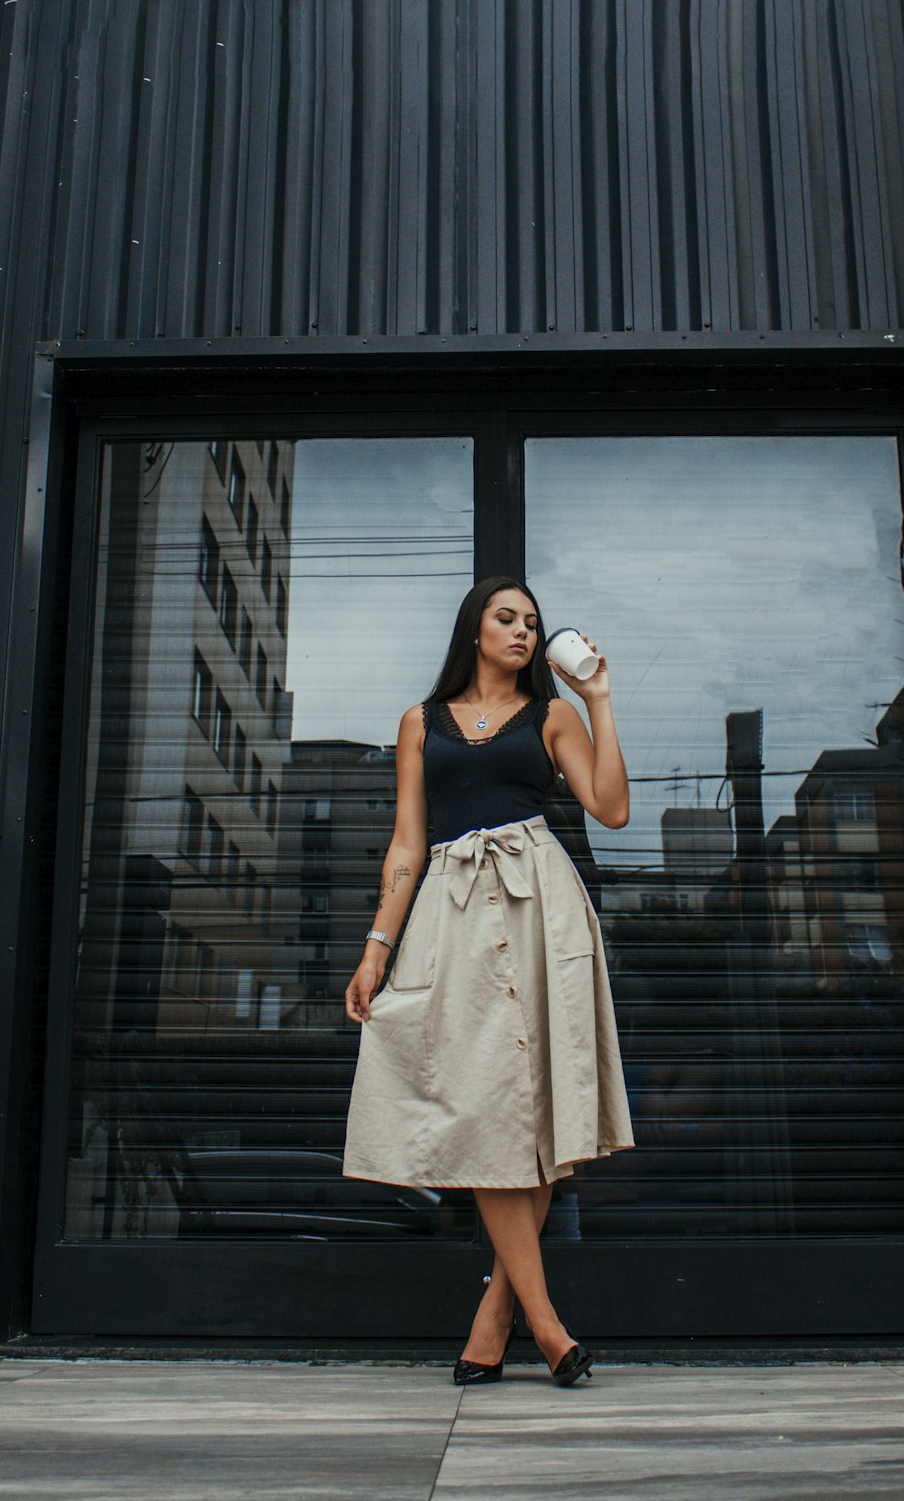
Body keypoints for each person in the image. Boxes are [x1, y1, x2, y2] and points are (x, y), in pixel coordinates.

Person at [342, 577, 635, 1386]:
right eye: (507, 618)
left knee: (538, 1100)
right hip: (452, 909)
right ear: (474, 628)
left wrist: (598, 697)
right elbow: (406, 844)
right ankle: (541, 1323)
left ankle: (500, 1317)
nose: (522, 632)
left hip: (541, 905)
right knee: (483, 1099)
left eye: (532, 623)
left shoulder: (552, 715)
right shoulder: (419, 722)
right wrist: (376, 949)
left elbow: (610, 809)